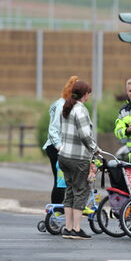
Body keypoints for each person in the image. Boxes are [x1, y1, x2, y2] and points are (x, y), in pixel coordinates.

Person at [58, 80, 99, 240]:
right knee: (81, 191)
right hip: (78, 158)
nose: (89, 96)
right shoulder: (80, 110)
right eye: (88, 93)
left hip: (64, 156)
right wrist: (95, 149)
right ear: (85, 94)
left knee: (69, 191)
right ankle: (76, 229)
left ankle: (67, 229)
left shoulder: (66, 108)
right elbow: (84, 135)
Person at [43, 76, 79, 204]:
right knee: (61, 182)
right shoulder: (62, 105)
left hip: (61, 148)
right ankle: (55, 213)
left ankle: (58, 212)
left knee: (63, 181)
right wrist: (59, 147)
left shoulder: (63, 103)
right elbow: (53, 130)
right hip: (56, 148)